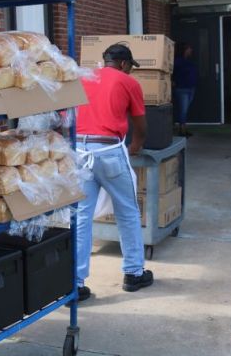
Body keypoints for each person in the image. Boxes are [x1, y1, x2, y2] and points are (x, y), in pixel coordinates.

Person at [74, 43, 151, 301]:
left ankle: (76, 283)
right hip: (109, 150)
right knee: (128, 211)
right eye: (129, 66)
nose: (130, 71)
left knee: (82, 217)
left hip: (79, 151)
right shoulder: (128, 82)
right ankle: (133, 273)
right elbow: (140, 125)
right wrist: (136, 146)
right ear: (122, 64)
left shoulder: (82, 77)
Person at [172, 43, 198, 137]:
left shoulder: (189, 61)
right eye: (189, 49)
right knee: (183, 110)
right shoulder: (177, 61)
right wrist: (172, 81)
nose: (191, 51)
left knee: (185, 110)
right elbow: (171, 71)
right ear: (185, 50)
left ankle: (183, 128)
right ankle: (182, 130)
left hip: (191, 88)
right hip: (182, 89)